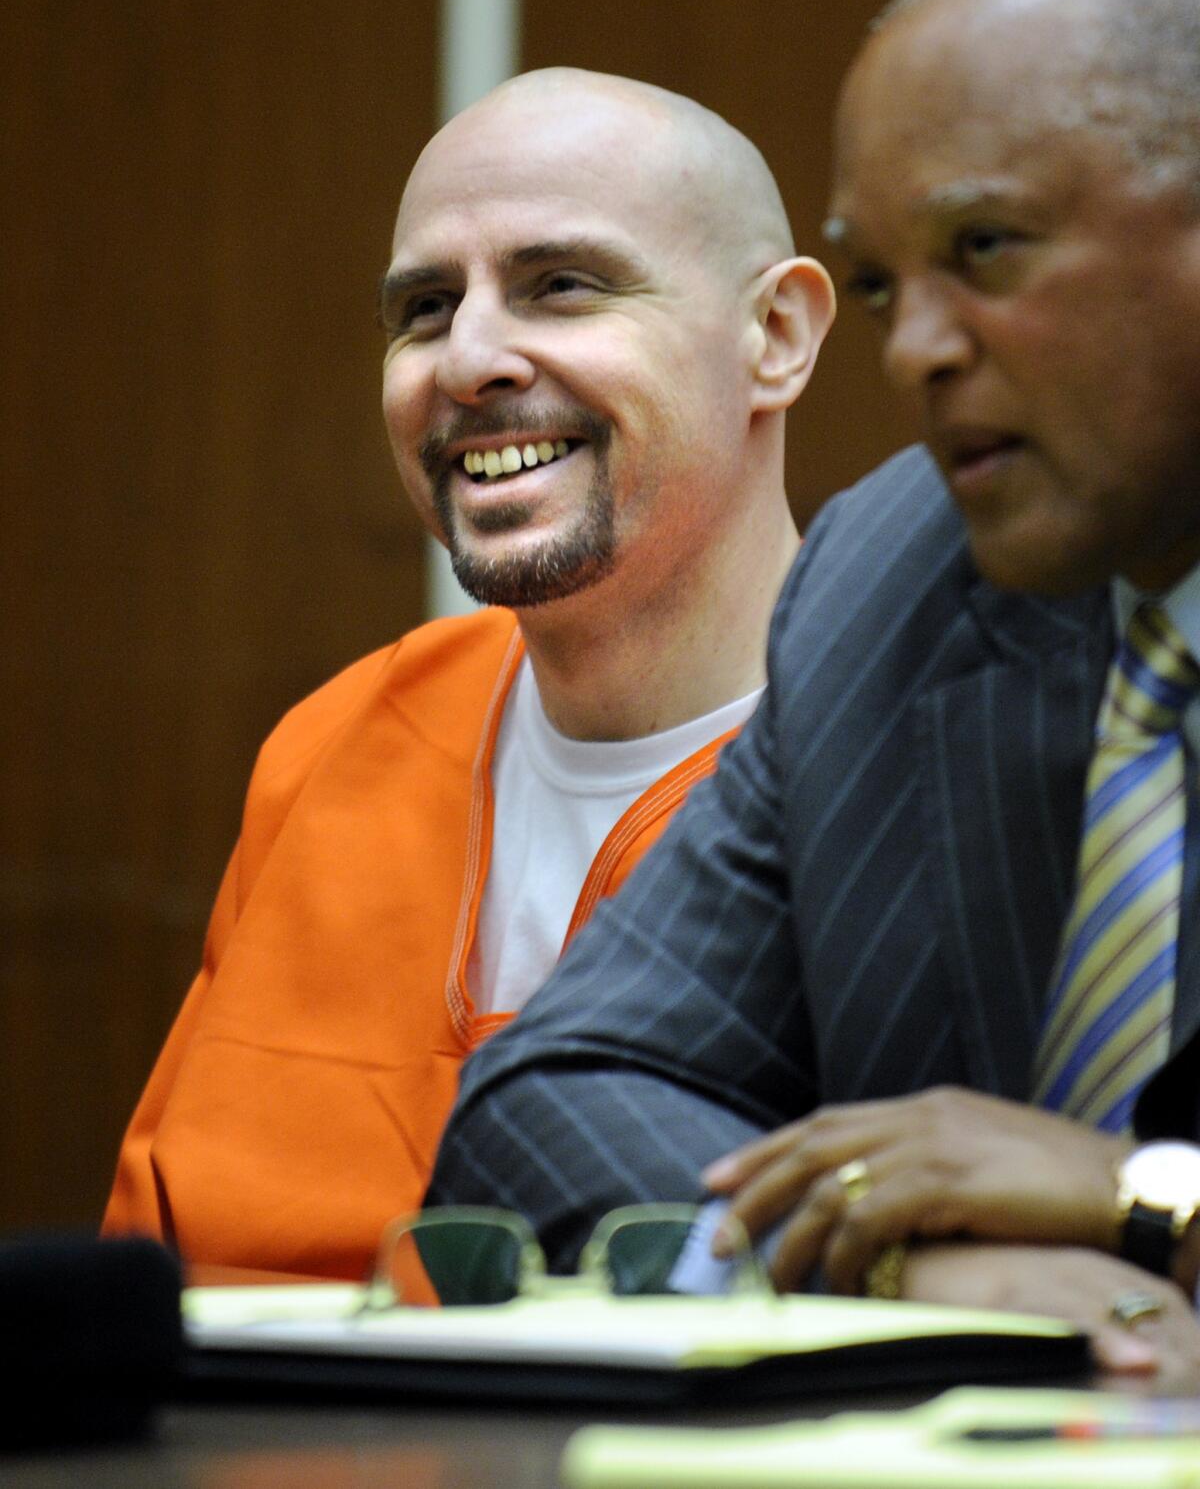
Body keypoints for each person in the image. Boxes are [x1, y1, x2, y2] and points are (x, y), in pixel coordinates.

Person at [429, 0, 1200, 1386]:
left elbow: (1116, 1195)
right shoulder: (891, 580)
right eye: (879, 277)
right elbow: (552, 1097)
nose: (911, 348)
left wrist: (1143, 1195)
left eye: (986, 249)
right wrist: (910, 1253)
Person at [100, 69, 835, 1279]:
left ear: (775, 337)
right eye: (426, 309)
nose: (471, 359)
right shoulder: (338, 743)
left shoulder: (916, 777)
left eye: (563, 285)